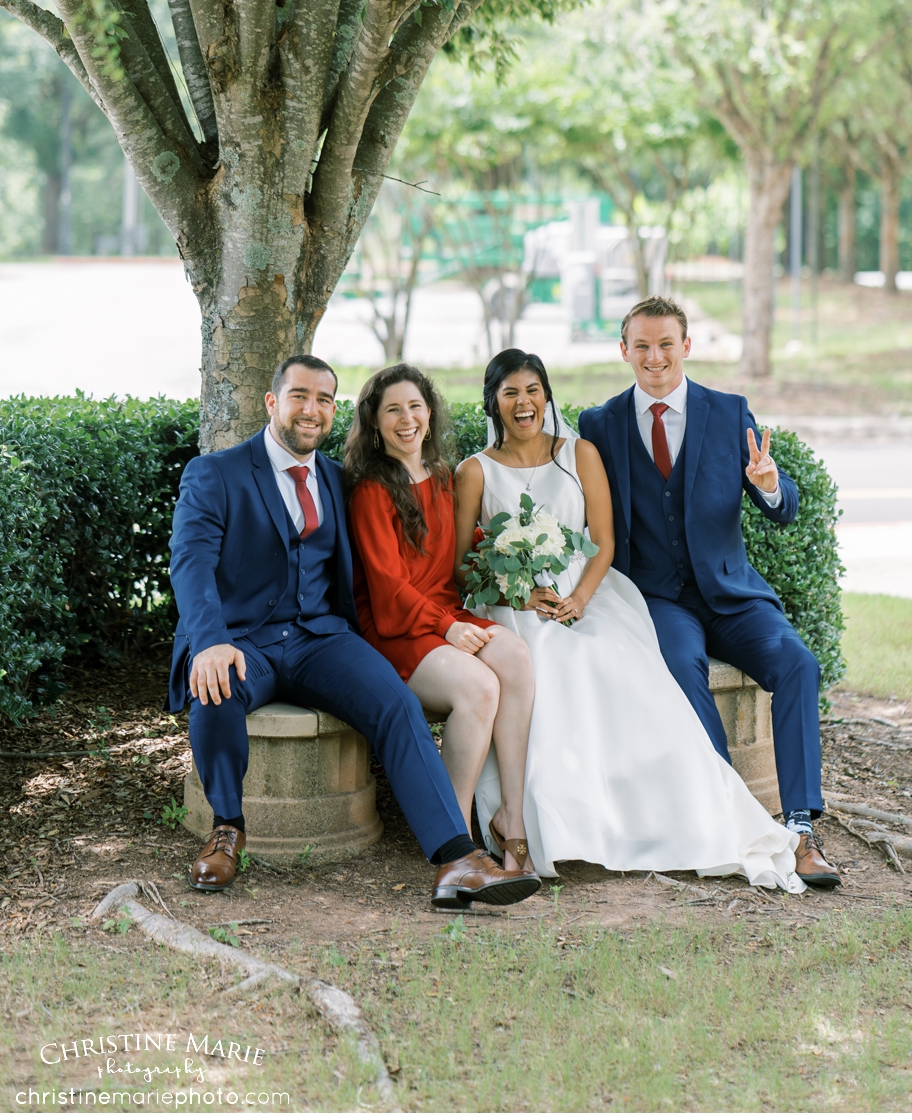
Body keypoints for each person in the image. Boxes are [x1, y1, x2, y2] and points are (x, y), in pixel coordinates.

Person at [167, 354, 540, 911]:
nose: (311, 409)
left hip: (323, 639)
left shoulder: (340, 481)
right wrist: (209, 639)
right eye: (299, 396)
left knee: (396, 704)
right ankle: (227, 830)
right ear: (273, 402)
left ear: (334, 410)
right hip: (244, 640)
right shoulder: (216, 472)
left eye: (323, 399)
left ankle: (457, 858)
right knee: (214, 689)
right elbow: (190, 560)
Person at [453, 348, 804, 892]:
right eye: (510, 393)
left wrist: (581, 599)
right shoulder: (474, 472)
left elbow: (604, 541)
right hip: (513, 604)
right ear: (492, 401)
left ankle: (669, 812)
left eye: (533, 390)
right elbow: (461, 565)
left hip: (589, 593)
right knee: (551, 663)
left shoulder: (580, 452)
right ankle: (536, 823)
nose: (524, 403)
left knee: (613, 661)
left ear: (547, 395)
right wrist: (519, 595)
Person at [576, 297, 841, 887]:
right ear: (624, 351)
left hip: (731, 594)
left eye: (666, 344)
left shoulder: (728, 412)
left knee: (797, 664)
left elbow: (783, 507)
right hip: (657, 598)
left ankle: (800, 829)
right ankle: (727, 814)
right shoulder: (598, 425)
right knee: (680, 665)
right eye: (641, 345)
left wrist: (771, 488)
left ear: (686, 346)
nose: (654, 357)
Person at [342, 363, 536, 869]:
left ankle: (512, 818)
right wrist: (447, 626)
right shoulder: (372, 490)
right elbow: (387, 587)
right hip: (397, 627)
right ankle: (457, 837)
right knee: (479, 688)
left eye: (415, 406)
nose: (406, 419)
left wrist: (516, 573)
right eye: (392, 410)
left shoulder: (446, 479)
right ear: (375, 421)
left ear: (429, 414)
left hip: (444, 613)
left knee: (515, 656)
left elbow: (462, 558)